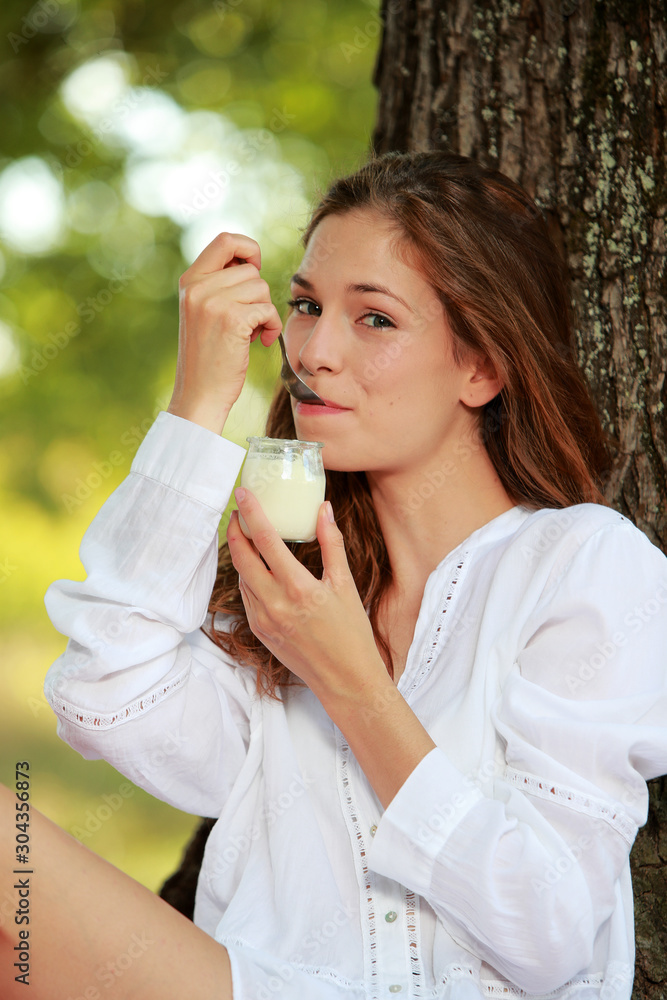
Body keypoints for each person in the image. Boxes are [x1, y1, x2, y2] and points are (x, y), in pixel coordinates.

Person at [2, 149, 666, 1000]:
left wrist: (350, 680)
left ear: (481, 367)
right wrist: (199, 403)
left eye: (374, 319)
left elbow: (550, 935)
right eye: (307, 306)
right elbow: (103, 700)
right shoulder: (287, 591)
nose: (312, 351)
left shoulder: (584, 568)